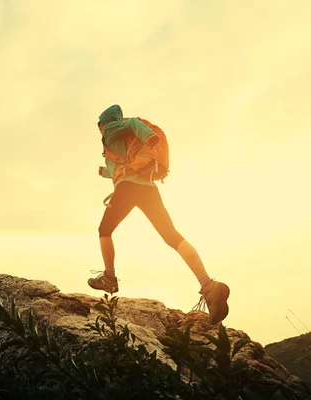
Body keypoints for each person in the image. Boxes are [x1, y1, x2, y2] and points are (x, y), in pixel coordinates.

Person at [89, 104, 230, 325]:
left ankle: (109, 277)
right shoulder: (121, 143)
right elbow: (120, 167)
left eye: (98, 125)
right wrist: (103, 172)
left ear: (103, 122)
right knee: (171, 236)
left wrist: (150, 136)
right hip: (147, 188)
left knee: (104, 230)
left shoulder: (111, 129)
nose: (98, 129)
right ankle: (209, 286)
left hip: (128, 188)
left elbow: (134, 124)